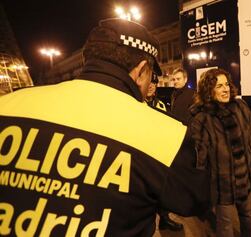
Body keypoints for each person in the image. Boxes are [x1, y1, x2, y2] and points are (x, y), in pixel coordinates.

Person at [0, 18, 209, 237]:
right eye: (151, 76)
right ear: (141, 71)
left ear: (88, 58)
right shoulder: (165, 134)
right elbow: (193, 200)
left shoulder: (9, 104)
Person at [189, 68, 251, 237]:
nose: (225, 89)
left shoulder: (241, 107)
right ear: (209, 90)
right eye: (219, 86)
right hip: (223, 184)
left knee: (247, 217)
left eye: (226, 84)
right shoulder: (203, 118)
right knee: (225, 227)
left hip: (246, 178)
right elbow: (199, 157)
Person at [145, 74, 184, 231]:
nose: (151, 86)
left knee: (162, 189)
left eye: (154, 83)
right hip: (142, 154)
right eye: (149, 82)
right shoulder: (135, 103)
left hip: (159, 154)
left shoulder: (160, 104)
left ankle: (164, 218)